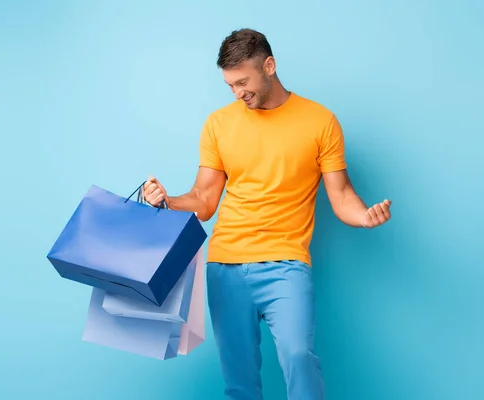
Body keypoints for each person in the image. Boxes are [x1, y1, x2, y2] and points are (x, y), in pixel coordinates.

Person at [143, 28, 391, 400]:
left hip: (286, 264)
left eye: (243, 82)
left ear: (269, 66)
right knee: (239, 382)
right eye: (229, 85)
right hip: (225, 266)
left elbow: (341, 196)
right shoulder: (218, 124)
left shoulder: (320, 121)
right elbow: (205, 200)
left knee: (298, 355)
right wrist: (167, 201)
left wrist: (364, 216)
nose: (237, 92)